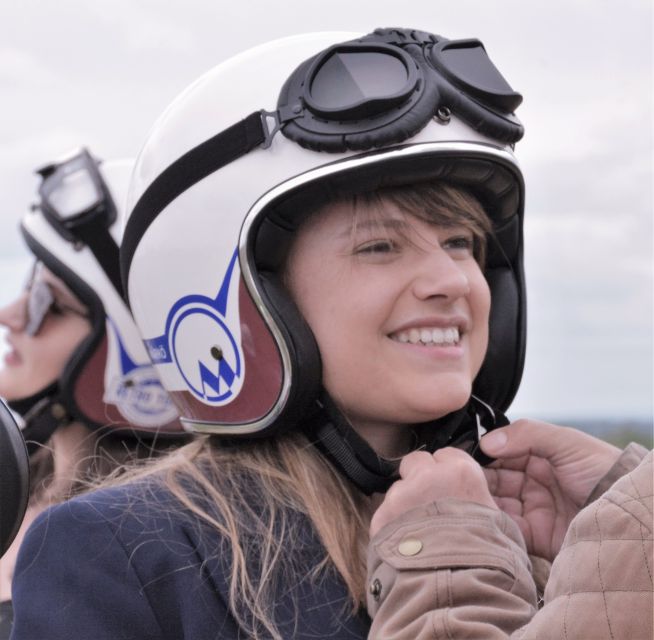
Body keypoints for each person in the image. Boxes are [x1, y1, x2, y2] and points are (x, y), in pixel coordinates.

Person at [10, 29, 651, 639]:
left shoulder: (544, 526)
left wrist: (617, 519)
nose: (451, 279)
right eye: (379, 246)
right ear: (244, 299)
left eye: (459, 242)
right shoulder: (124, 552)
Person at [1, 149, 185, 637]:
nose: (11, 316)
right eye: (28, 289)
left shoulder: (137, 553)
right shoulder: (16, 487)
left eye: (49, 305)